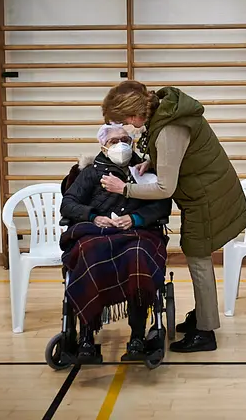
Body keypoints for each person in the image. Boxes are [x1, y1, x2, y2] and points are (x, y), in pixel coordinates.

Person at [100, 81, 246, 353]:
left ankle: (205, 333)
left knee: (197, 257)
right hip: (204, 191)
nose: (128, 126)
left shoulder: (169, 128)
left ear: (135, 115)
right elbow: (177, 157)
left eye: (125, 120)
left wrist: (123, 188)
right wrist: (154, 163)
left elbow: (164, 188)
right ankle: (202, 316)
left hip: (206, 197)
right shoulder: (167, 111)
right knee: (196, 254)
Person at [60, 123, 173, 363]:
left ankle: (138, 336)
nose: (121, 144)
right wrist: (94, 216)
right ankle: (86, 338)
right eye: (114, 141)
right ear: (102, 146)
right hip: (97, 231)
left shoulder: (143, 169)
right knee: (88, 251)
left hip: (136, 232)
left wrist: (135, 219)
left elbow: (162, 205)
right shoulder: (90, 172)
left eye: (125, 139)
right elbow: (68, 204)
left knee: (138, 254)